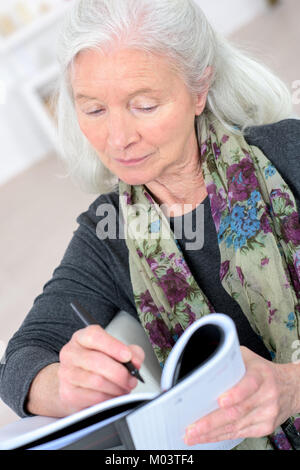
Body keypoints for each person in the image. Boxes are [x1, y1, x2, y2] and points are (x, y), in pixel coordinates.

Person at [1, 0, 300, 451]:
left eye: (143, 105)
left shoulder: (288, 153)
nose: (119, 139)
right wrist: (63, 382)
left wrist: (291, 385)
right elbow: (21, 359)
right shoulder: (112, 230)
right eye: (94, 110)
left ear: (199, 88)